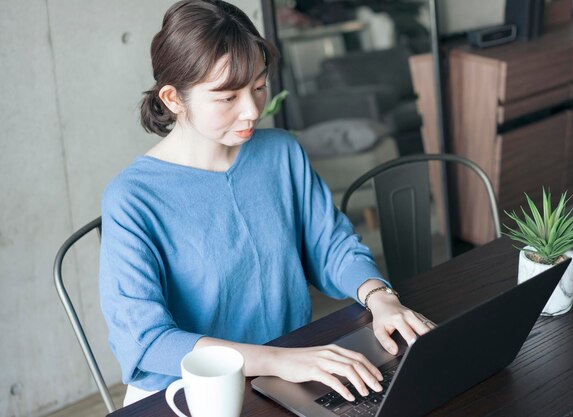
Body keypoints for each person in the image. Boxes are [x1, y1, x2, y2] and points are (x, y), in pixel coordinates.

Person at [99, 0, 436, 407]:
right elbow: (147, 340)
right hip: (188, 393)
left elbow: (331, 247)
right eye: (227, 97)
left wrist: (381, 298)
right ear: (173, 99)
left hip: (289, 367)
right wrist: (279, 361)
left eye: (259, 87)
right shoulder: (133, 198)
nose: (251, 110)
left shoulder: (281, 154)